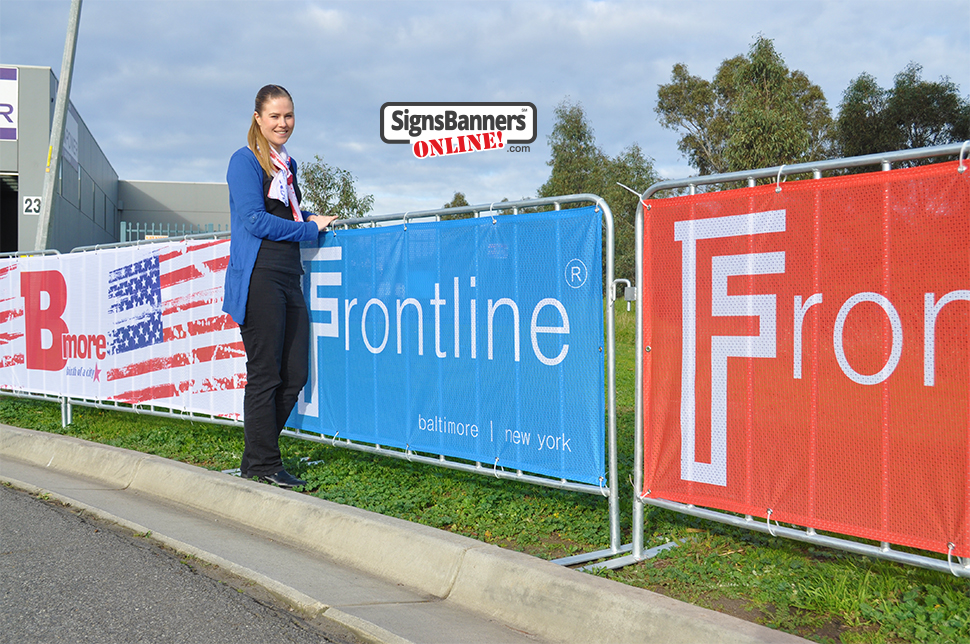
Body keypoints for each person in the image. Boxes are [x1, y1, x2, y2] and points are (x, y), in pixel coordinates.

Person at [223, 84, 336, 488]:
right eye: (274, 116)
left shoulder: (284, 166)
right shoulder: (245, 161)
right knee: (266, 374)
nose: (283, 123)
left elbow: (282, 210)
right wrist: (307, 228)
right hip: (259, 277)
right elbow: (255, 219)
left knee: (295, 373)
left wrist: (309, 215)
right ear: (258, 118)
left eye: (288, 115)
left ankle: (257, 459)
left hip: (289, 277)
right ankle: (265, 463)